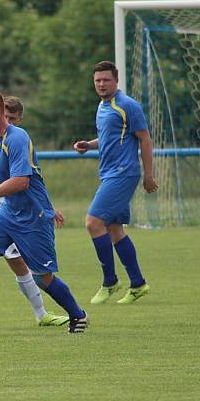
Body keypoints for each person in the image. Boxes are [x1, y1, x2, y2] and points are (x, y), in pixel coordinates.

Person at [0, 88, 88, 335]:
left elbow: (21, 182)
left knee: (42, 277)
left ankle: (78, 315)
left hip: (33, 216)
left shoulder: (17, 137)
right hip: (8, 213)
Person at [73, 60, 157, 305]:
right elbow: (109, 137)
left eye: (106, 80)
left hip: (123, 173)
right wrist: (89, 145)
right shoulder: (102, 106)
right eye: (97, 80)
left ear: (116, 80)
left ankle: (110, 282)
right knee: (114, 229)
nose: (101, 84)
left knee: (92, 222)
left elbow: (145, 140)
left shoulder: (128, 105)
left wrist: (149, 175)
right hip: (109, 172)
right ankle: (138, 284)